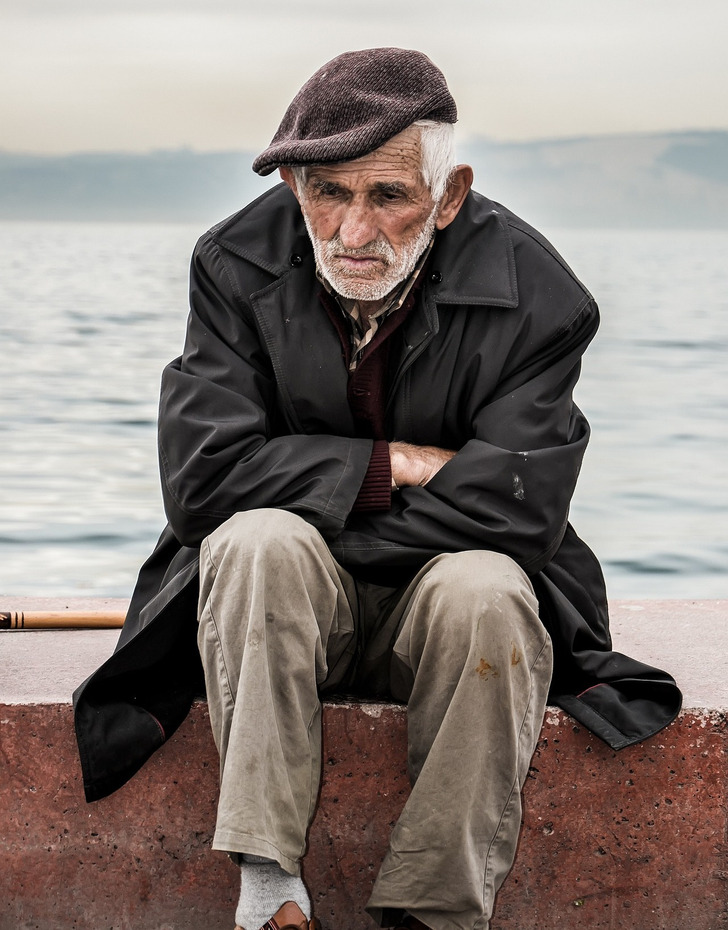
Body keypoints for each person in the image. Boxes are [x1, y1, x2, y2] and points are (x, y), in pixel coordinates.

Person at [74, 48, 681, 930]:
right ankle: (269, 892)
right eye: (328, 191)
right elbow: (202, 482)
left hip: (442, 608)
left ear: (449, 195)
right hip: (283, 603)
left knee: (486, 588)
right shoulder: (232, 263)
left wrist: (306, 501)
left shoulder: (542, 296)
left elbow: (516, 514)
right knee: (255, 543)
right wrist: (390, 465)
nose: (353, 231)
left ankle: (433, 914)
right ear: (294, 185)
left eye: (388, 195)